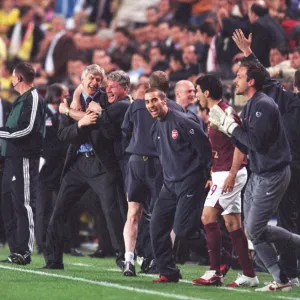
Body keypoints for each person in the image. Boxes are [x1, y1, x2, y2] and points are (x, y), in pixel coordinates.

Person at [208, 56, 300, 292]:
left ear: (251, 81)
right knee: (253, 231)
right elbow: (244, 144)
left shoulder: (263, 105)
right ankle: (281, 280)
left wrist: (230, 127)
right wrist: (231, 130)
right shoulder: (251, 104)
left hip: (273, 173)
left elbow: (254, 143)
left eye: (239, 76)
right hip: (258, 172)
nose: (235, 80)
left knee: (254, 230)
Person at [232, 28, 300, 287]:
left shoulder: (285, 100)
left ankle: (290, 274)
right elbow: (263, 81)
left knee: (284, 221)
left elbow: (266, 82)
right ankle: (287, 275)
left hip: (282, 167)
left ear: (295, 85)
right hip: (282, 167)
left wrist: (249, 52)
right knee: (283, 222)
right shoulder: (278, 100)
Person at [42, 64, 125, 270]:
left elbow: (98, 122)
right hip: (77, 163)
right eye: (92, 78)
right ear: (82, 79)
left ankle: (125, 258)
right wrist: (79, 122)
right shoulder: (71, 101)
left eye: (99, 79)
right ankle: (53, 259)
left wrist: (69, 112)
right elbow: (63, 135)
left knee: (112, 212)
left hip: (101, 164)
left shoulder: (105, 100)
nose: (95, 82)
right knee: (59, 210)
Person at [192, 74, 259, 287]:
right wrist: (214, 173)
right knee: (231, 222)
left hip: (232, 173)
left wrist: (230, 174)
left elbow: (241, 145)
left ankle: (215, 271)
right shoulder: (214, 112)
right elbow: (220, 148)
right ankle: (249, 274)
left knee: (208, 217)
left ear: (207, 92)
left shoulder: (226, 112)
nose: (196, 96)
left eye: (197, 91)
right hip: (222, 173)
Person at [145, 87, 212, 283]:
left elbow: (204, 146)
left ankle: (224, 255)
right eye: (148, 102)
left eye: (155, 100)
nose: (151, 105)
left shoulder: (183, 121)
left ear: (164, 101)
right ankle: (168, 271)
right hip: (169, 185)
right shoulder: (155, 128)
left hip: (191, 181)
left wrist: (208, 173)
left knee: (184, 231)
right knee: (156, 226)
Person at [121, 71, 183, 276]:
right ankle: (158, 259)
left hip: (136, 162)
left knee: (133, 214)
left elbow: (125, 131)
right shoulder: (175, 108)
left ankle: (129, 260)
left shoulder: (137, 104)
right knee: (162, 215)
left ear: (149, 85)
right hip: (161, 166)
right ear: (169, 88)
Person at [0, 62, 46, 265]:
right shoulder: (20, 100)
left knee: (23, 203)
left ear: (19, 78)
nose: (10, 79)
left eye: (12, 76)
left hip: (25, 158)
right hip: (11, 158)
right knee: (8, 204)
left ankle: (25, 251)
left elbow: (27, 129)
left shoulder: (33, 98)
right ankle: (15, 249)